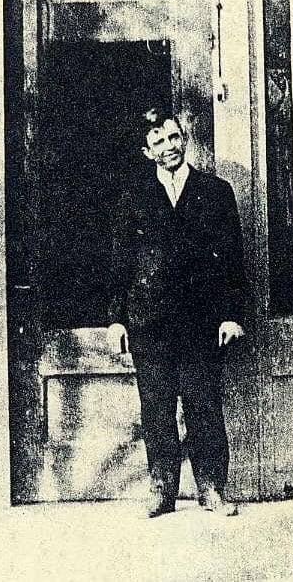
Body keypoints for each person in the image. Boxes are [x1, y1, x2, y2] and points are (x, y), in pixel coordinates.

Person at [107, 108, 245, 518]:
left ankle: (212, 490)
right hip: (149, 323)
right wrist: (117, 317)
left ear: (183, 139)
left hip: (202, 322)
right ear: (146, 151)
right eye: (159, 142)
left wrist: (231, 314)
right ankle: (162, 489)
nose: (169, 147)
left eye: (173, 138)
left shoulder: (215, 192)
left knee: (204, 405)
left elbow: (234, 260)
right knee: (157, 407)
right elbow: (121, 263)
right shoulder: (133, 198)